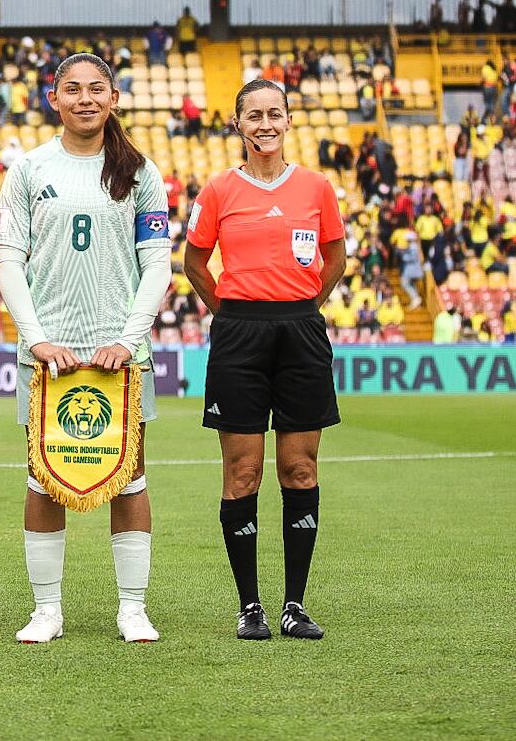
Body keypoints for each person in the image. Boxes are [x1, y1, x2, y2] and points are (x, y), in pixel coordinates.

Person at [0, 55, 172, 645]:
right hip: (47, 356)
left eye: (97, 89)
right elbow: (7, 259)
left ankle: (133, 607)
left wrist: (130, 337)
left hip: (120, 355)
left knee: (132, 477)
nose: (85, 98)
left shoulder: (141, 172)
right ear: (53, 97)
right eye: (73, 89)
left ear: (114, 97)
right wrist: (35, 336)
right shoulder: (27, 169)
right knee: (43, 476)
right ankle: (47, 610)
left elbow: (159, 263)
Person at [184, 79, 347, 642]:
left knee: (299, 469)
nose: (264, 124)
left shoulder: (316, 187)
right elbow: (196, 263)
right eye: (253, 115)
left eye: (273, 114)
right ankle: (249, 605)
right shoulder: (218, 190)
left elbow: (334, 257)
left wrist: (302, 307)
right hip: (239, 335)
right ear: (238, 124)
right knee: (243, 471)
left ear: (287, 120)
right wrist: (231, 313)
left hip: (301, 331)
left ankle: (294, 605)